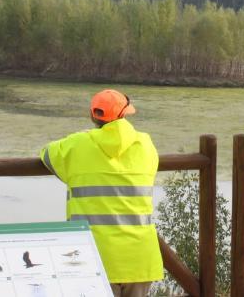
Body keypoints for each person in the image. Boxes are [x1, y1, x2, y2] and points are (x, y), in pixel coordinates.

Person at [40, 89, 163, 296]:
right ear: (126, 113)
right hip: (140, 258)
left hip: (93, 258)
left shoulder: (76, 144)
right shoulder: (146, 144)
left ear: (92, 115)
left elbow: (46, 154)